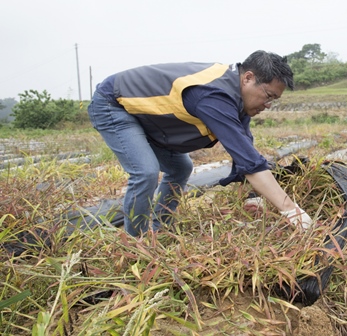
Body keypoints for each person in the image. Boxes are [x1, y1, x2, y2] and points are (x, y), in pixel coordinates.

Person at [88, 50, 312, 237]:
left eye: (274, 100)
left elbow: (244, 152)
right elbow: (251, 162)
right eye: (269, 96)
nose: (268, 104)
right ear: (248, 78)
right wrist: (291, 210)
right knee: (145, 172)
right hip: (114, 103)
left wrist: (253, 197)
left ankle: (161, 230)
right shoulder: (214, 95)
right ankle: (137, 244)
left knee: (180, 168)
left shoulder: (237, 98)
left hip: (148, 117)